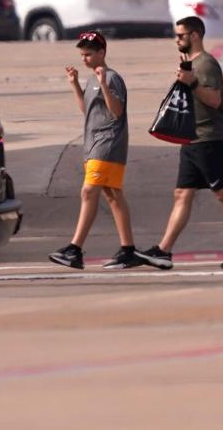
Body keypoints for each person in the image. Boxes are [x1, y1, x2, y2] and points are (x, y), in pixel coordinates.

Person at [136, 16, 223, 270]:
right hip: (192, 138)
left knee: (222, 192)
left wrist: (191, 82)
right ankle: (164, 250)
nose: (176, 40)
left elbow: (214, 100)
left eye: (180, 35)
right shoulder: (191, 64)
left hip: (209, 138)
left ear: (194, 35)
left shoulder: (207, 64)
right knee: (182, 193)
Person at [49, 31, 142, 270]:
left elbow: (117, 111)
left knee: (89, 191)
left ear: (102, 52)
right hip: (93, 143)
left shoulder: (111, 78)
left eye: (89, 54)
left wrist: (103, 84)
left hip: (107, 143)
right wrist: (75, 85)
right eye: (82, 55)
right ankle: (128, 249)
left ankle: (75, 249)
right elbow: (88, 110)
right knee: (112, 195)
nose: (85, 59)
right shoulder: (93, 79)